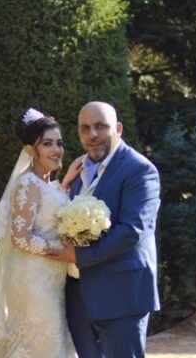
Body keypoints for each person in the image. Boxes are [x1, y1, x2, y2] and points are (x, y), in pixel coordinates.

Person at [46, 101, 161, 358]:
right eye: (85, 128)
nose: (92, 135)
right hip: (78, 295)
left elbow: (132, 231)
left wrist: (78, 256)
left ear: (118, 129)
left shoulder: (140, 170)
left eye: (100, 126)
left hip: (121, 294)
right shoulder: (78, 170)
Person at [0, 107, 81, 357]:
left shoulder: (47, 184)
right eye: (47, 144)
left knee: (51, 342)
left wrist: (67, 183)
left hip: (51, 278)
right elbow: (20, 237)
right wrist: (62, 252)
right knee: (40, 344)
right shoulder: (27, 183)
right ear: (31, 150)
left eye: (59, 143)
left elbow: (51, 206)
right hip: (32, 279)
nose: (56, 149)